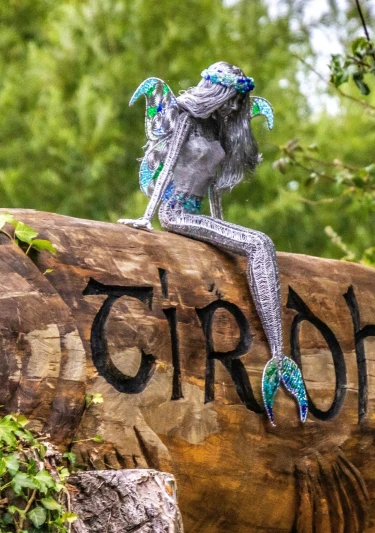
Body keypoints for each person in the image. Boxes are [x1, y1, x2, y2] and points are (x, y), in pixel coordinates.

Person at [118, 61, 307, 425]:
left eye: (240, 101)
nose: (236, 108)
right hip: (175, 213)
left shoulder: (219, 126)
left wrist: (219, 228)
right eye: (233, 98)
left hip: (197, 215)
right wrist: (146, 217)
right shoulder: (186, 115)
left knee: (258, 244)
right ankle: (278, 356)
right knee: (260, 243)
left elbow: (214, 188)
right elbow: (170, 161)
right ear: (217, 93)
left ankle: (279, 356)